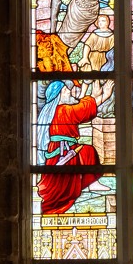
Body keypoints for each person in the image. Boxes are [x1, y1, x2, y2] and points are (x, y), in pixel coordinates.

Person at [37, 80, 112, 214]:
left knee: (87, 151)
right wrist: (104, 96)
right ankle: (90, 183)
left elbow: (81, 108)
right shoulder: (63, 110)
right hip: (63, 152)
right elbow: (82, 110)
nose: (70, 92)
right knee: (87, 152)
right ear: (59, 95)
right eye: (66, 90)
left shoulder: (55, 111)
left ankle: (91, 183)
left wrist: (95, 97)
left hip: (61, 150)